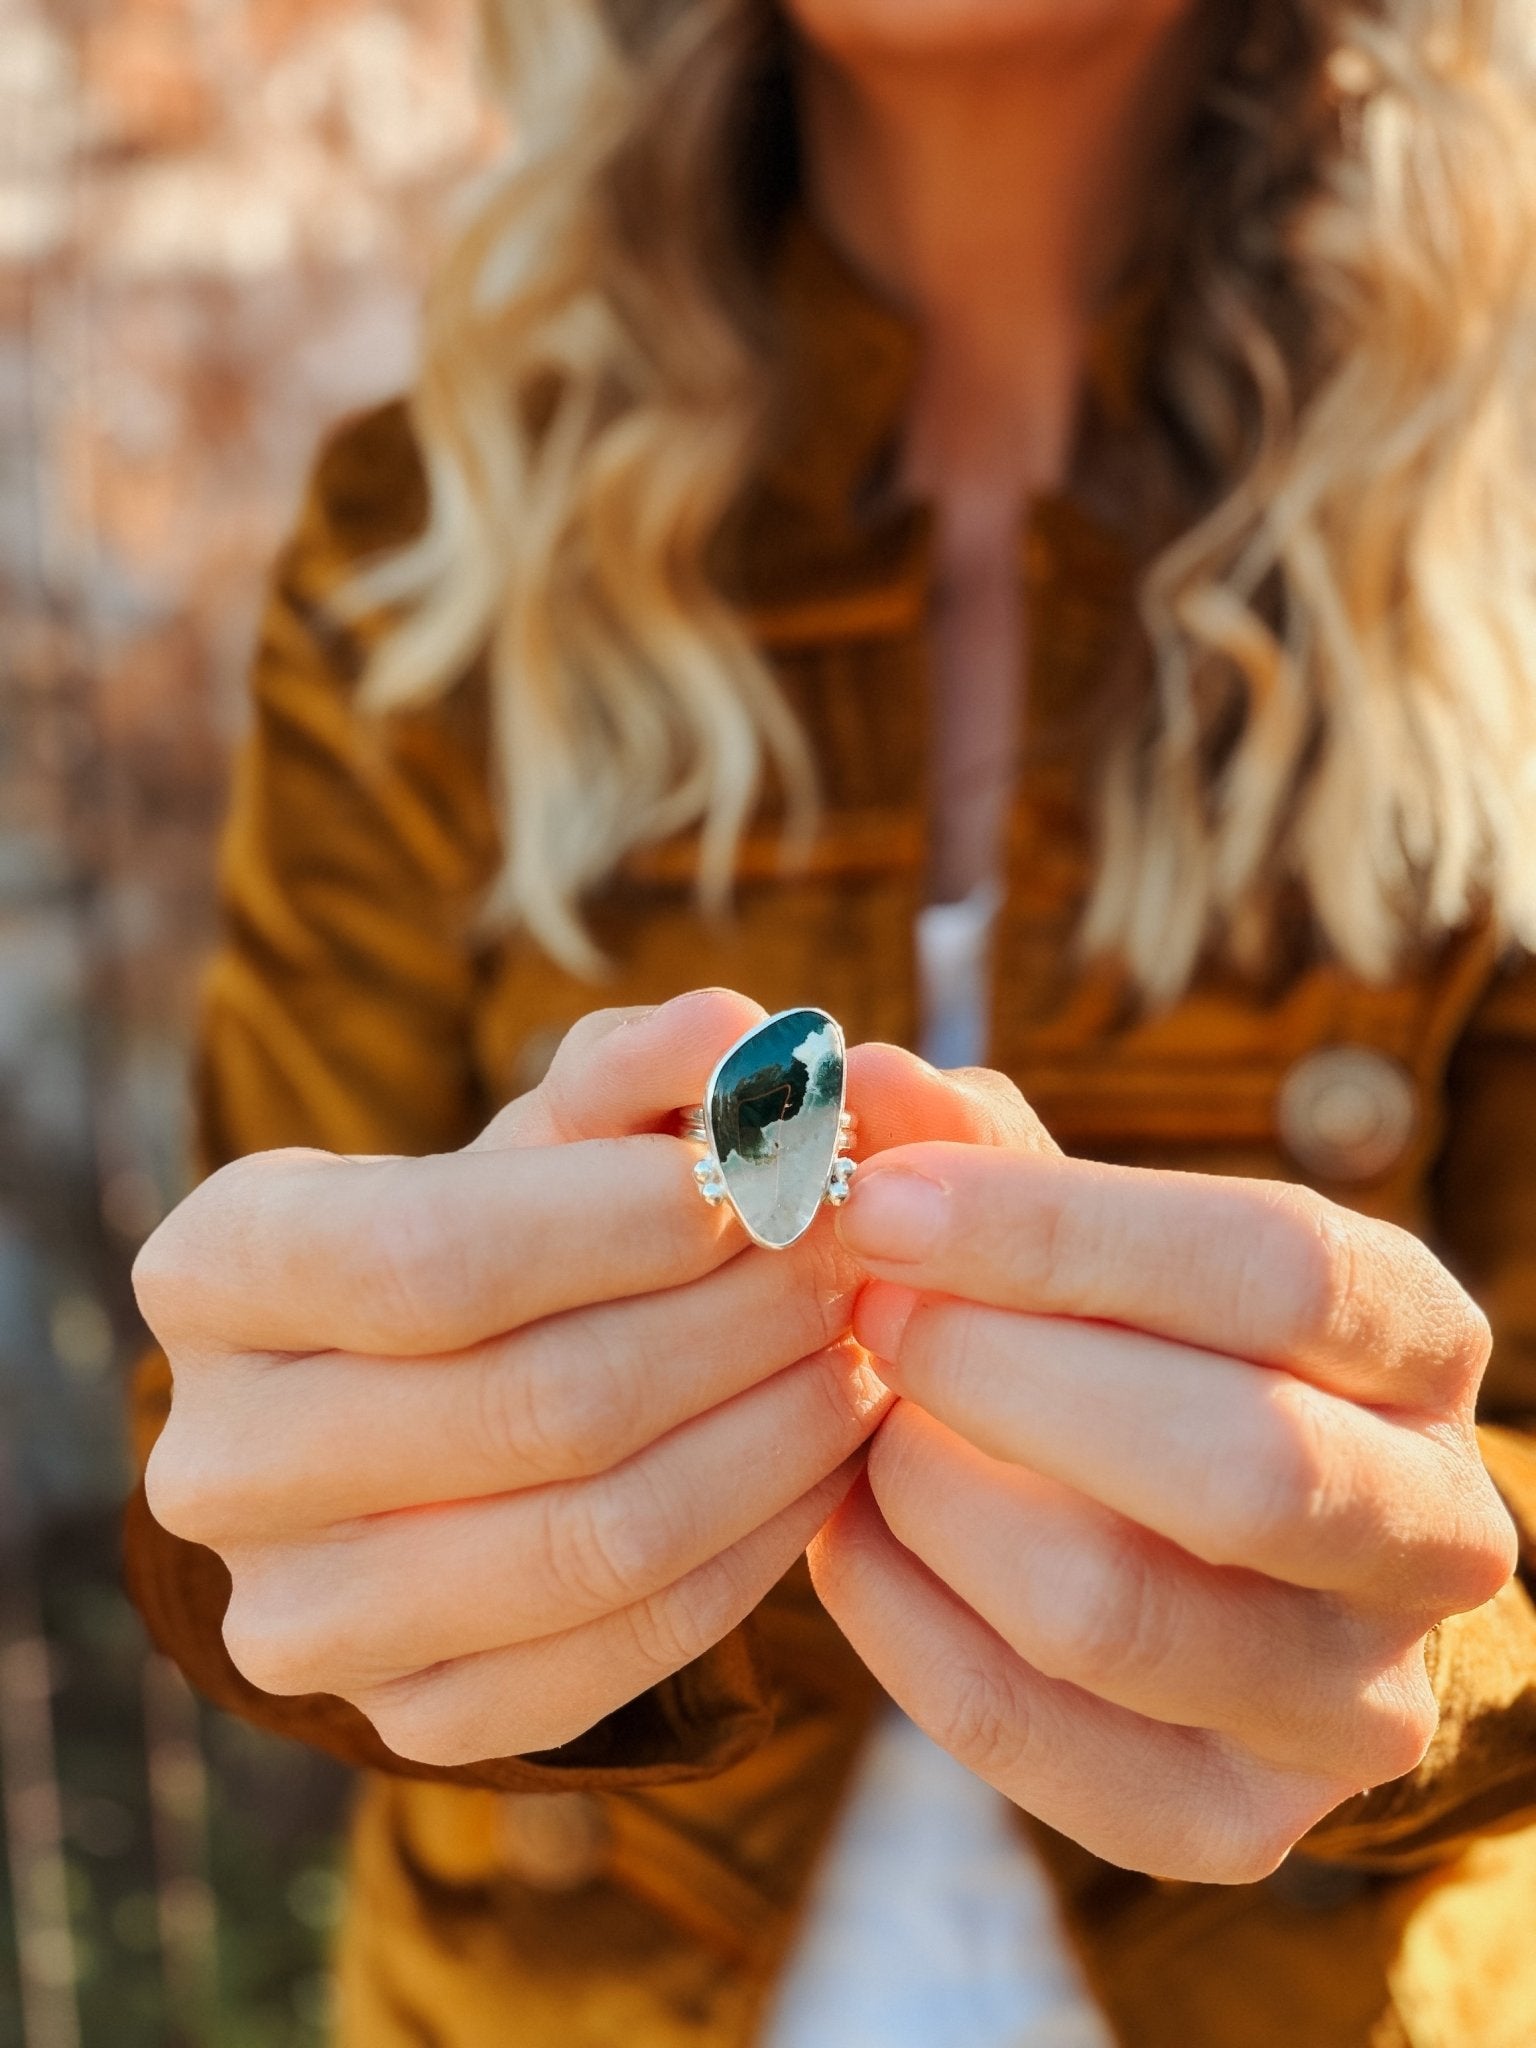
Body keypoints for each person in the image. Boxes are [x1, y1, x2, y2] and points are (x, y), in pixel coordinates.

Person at [124, 1, 1536, 2043]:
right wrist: (345, 1509)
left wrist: (1436, 1638)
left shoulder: (1496, 525)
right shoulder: (422, 537)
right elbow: (222, 1487)